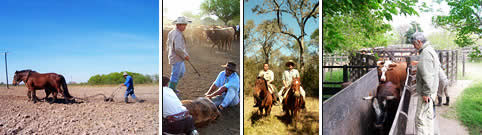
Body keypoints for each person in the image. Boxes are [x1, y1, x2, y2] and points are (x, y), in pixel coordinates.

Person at [412, 32, 440, 135]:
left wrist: (426, 93)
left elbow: (428, 76)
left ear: (419, 42)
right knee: (428, 117)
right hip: (431, 91)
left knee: (420, 119)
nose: (414, 47)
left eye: (414, 44)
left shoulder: (425, 54)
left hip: (427, 92)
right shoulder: (430, 50)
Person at [167, 16, 192, 94]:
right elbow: (177, 48)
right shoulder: (177, 34)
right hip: (177, 57)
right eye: (183, 25)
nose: (185, 26)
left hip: (178, 57)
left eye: (185, 25)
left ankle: (172, 87)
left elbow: (168, 44)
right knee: (175, 75)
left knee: (181, 73)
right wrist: (185, 55)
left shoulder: (172, 32)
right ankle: (171, 91)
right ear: (178, 25)